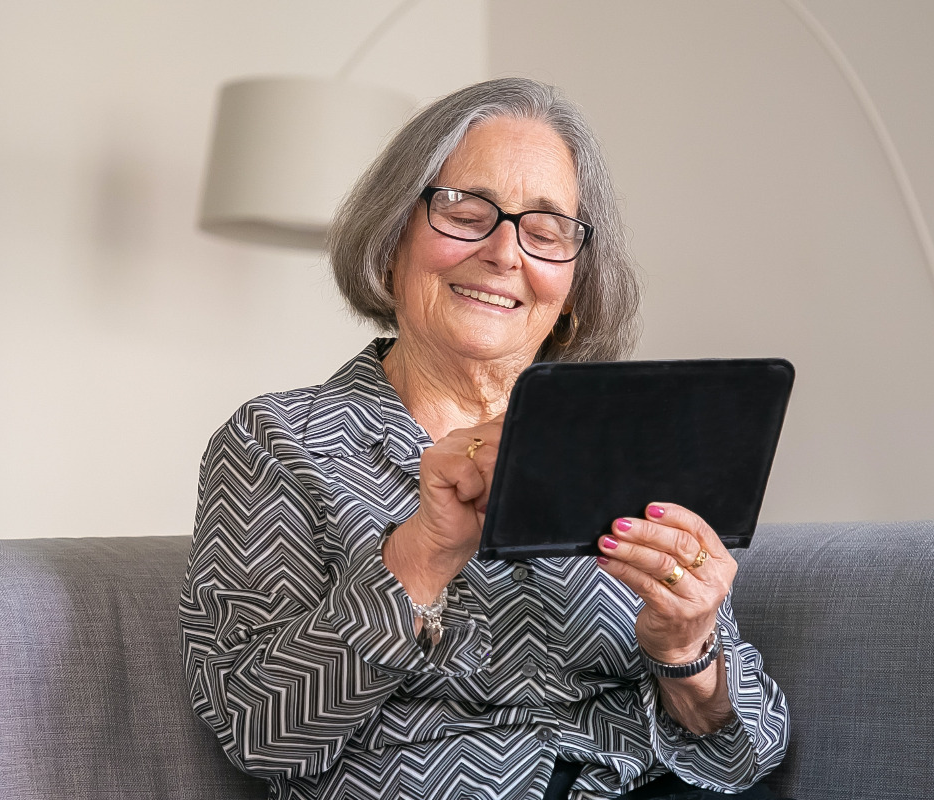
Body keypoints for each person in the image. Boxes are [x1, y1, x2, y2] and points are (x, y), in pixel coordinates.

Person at [179, 78, 790, 800]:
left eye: (546, 231)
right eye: (466, 211)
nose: (505, 253)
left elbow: (749, 755)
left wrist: (687, 653)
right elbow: (261, 735)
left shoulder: (626, 434)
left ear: (572, 283)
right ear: (392, 238)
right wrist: (420, 556)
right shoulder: (279, 442)